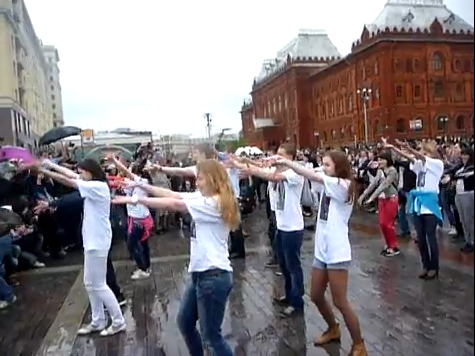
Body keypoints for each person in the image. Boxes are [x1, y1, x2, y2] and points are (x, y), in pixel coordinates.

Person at [113, 159, 239, 355]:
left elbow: (174, 204)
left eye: (200, 179)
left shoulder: (215, 203)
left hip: (213, 276)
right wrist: (139, 184)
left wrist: (135, 199)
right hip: (200, 274)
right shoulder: (204, 198)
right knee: (185, 322)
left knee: (212, 338)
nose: (197, 183)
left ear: (213, 179)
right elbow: (173, 194)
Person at [273, 150, 367, 356]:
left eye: (327, 165)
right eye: (322, 164)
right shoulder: (327, 183)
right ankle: (333, 328)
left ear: (339, 167)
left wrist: (287, 162)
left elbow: (312, 175)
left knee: (340, 301)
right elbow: (311, 175)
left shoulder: (344, 185)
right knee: (315, 295)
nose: (323, 168)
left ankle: (359, 344)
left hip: (337, 251)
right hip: (322, 249)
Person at [37, 159, 126, 336]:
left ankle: (118, 321)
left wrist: (44, 171)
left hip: (98, 241)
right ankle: (98, 320)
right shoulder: (93, 183)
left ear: (90, 172)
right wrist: (51, 164)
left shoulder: (98, 187)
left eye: (83, 172)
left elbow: (70, 181)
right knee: (90, 283)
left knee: (99, 284)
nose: (81, 175)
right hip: (92, 240)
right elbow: (72, 175)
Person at [240, 143, 305, 318]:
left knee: (293, 266)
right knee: (283, 264)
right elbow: (263, 167)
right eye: (277, 154)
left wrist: (252, 170)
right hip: (281, 226)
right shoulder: (277, 170)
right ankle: (290, 294)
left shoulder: (295, 173)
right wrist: (244, 163)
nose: (277, 158)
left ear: (291, 157)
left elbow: (272, 177)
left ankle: (297, 302)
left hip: (293, 227)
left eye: (281, 155)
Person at [384, 139, 444, 280]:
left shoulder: (437, 164)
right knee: (421, 239)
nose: (420, 154)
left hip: (430, 205)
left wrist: (408, 148)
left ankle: (434, 267)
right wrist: (394, 147)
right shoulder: (420, 165)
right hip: (419, 205)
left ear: (430, 153)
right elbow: (411, 158)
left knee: (431, 237)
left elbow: (419, 157)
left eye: (424, 152)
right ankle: (425, 265)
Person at [107, 155, 154, 280]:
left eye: (131, 169)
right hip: (137, 217)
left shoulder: (143, 182)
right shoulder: (132, 182)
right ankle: (146, 267)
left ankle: (143, 268)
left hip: (139, 218)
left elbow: (125, 172)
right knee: (143, 244)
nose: (128, 171)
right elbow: (117, 181)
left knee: (132, 244)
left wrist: (115, 161)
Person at [358, 151, 400, 257]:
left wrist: (371, 198)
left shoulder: (392, 171)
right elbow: (374, 184)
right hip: (382, 199)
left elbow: (384, 185)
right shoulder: (380, 171)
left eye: (382, 159)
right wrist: (363, 195)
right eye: (379, 159)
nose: (379, 161)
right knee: (382, 223)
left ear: (388, 160)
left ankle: (394, 246)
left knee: (388, 224)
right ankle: (388, 244)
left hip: (391, 198)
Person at [453, 147, 474, 253]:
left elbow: (465, 176)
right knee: (463, 220)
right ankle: (467, 240)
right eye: (462, 154)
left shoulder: (471, 167)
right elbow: (451, 172)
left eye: (466, 154)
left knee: (469, 219)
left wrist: (454, 177)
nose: (463, 157)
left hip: (468, 194)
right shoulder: (460, 166)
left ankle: (472, 241)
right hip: (459, 195)